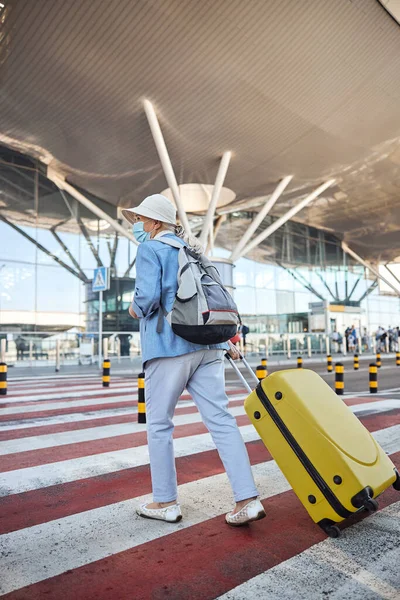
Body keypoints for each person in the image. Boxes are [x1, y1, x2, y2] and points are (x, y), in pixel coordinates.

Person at [122, 195, 264, 526]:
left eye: (142, 221)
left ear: (155, 223)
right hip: (210, 345)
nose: (139, 227)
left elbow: (146, 299)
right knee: (221, 420)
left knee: (159, 424)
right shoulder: (193, 250)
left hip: (169, 346)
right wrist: (227, 339)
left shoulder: (151, 249)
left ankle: (165, 501)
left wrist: (132, 310)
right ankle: (247, 498)